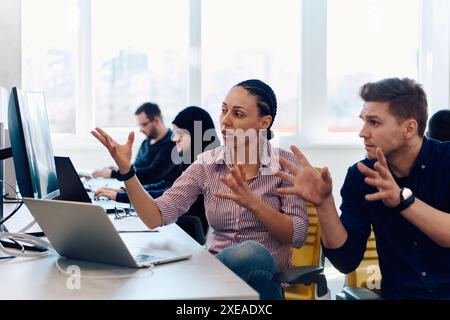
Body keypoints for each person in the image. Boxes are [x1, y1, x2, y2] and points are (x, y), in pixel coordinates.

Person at [92, 79, 308, 300]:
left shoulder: (284, 165)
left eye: (238, 114)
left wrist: (254, 203)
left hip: (264, 277)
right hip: (215, 271)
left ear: (264, 123)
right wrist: (127, 172)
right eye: (224, 111)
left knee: (251, 253)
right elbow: (156, 216)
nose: (225, 121)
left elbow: (298, 235)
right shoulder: (207, 163)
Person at [276, 77, 450, 299]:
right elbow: (345, 260)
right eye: (363, 121)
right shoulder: (360, 176)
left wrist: (402, 200)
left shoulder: (446, 160)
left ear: (409, 128)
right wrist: (324, 204)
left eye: (374, 122)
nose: (362, 132)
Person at [94, 106, 220, 244]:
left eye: (180, 134)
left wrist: (121, 195)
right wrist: (124, 190)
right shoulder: (187, 160)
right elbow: (165, 183)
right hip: (170, 223)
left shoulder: (205, 167)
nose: (174, 139)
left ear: (196, 134)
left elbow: (167, 194)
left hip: (183, 229)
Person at [92, 102, 176, 185]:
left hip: (151, 192)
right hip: (137, 187)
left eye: (143, 125)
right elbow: (136, 167)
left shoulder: (172, 143)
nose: (141, 130)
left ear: (156, 120)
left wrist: (113, 173)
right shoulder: (146, 142)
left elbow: (152, 174)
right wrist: (120, 167)